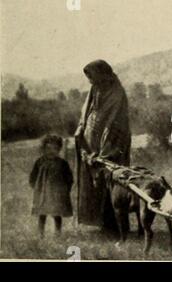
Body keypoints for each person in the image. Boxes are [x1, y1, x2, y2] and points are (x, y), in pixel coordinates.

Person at [74, 59, 132, 234]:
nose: (90, 81)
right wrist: (81, 130)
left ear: (102, 74)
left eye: (92, 76)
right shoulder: (94, 89)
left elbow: (115, 122)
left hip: (112, 144)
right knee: (94, 185)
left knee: (110, 182)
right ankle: (99, 222)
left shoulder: (116, 93)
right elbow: (86, 113)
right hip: (91, 144)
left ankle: (114, 226)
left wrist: (105, 150)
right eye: (89, 78)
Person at [29, 134, 73, 238]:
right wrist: (36, 188)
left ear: (59, 149)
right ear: (44, 148)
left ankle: (57, 234)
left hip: (57, 194)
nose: (51, 151)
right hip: (43, 194)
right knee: (42, 214)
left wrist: (65, 190)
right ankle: (40, 234)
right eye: (48, 148)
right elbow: (33, 177)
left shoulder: (62, 163)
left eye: (55, 148)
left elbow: (69, 178)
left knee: (57, 214)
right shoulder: (40, 162)